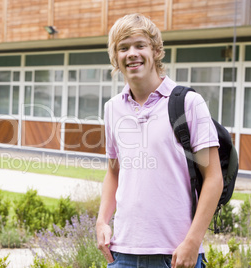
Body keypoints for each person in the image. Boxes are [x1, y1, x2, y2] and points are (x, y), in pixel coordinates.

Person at [96, 13, 223, 268]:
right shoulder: (112, 109)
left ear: (155, 51)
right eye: (123, 47)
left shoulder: (188, 103)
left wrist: (192, 242)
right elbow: (114, 171)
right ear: (115, 57)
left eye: (139, 45)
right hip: (123, 253)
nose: (131, 53)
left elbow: (213, 178)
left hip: (176, 255)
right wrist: (102, 221)